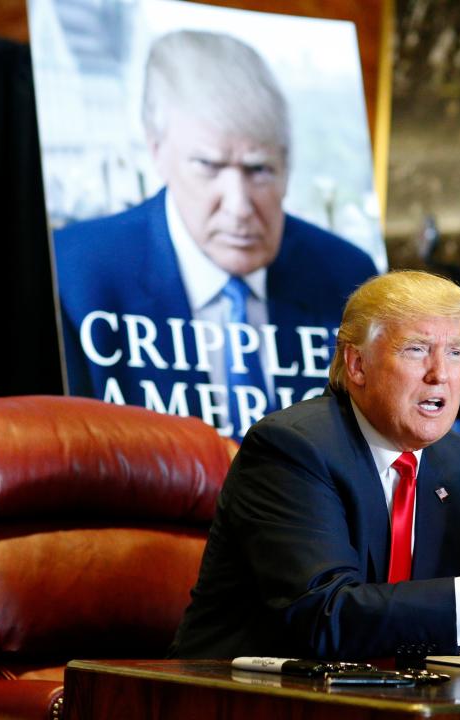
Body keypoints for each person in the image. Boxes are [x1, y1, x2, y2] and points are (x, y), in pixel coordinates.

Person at [168, 270, 460, 660]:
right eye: (417, 350)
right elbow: (326, 618)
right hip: (236, 695)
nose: (441, 373)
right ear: (357, 364)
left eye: (455, 353)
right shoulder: (294, 448)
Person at [53, 30, 378, 440]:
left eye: (259, 169)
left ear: (287, 162)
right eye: (208, 165)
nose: (239, 205)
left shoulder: (348, 276)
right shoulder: (75, 275)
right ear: (156, 150)